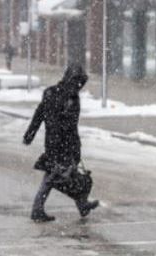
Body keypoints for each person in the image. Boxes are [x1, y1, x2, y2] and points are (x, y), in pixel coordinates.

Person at [22, 64, 99, 222]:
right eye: (76, 81)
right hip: (61, 143)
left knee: (65, 174)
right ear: (69, 79)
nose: (78, 86)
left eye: (80, 83)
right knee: (53, 176)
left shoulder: (53, 93)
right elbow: (66, 125)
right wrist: (74, 147)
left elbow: (40, 115)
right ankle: (37, 209)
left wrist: (30, 134)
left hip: (57, 142)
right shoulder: (67, 97)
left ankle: (81, 205)